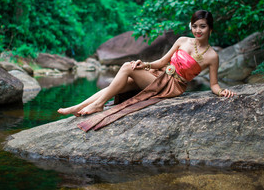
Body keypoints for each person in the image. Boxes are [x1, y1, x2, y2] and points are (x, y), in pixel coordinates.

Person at [58, 10, 236, 132]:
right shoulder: (182, 40)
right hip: (159, 76)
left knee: (127, 67)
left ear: (210, 29)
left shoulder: (212, 56)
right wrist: (145, 65)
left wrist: (222, 92)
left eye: (202, 26)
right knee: (121, 83)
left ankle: (98, 105)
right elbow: (161, 62)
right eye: (195, 26)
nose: (198, 30)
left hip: (172, 86)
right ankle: (79, 106)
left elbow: (214, 84)